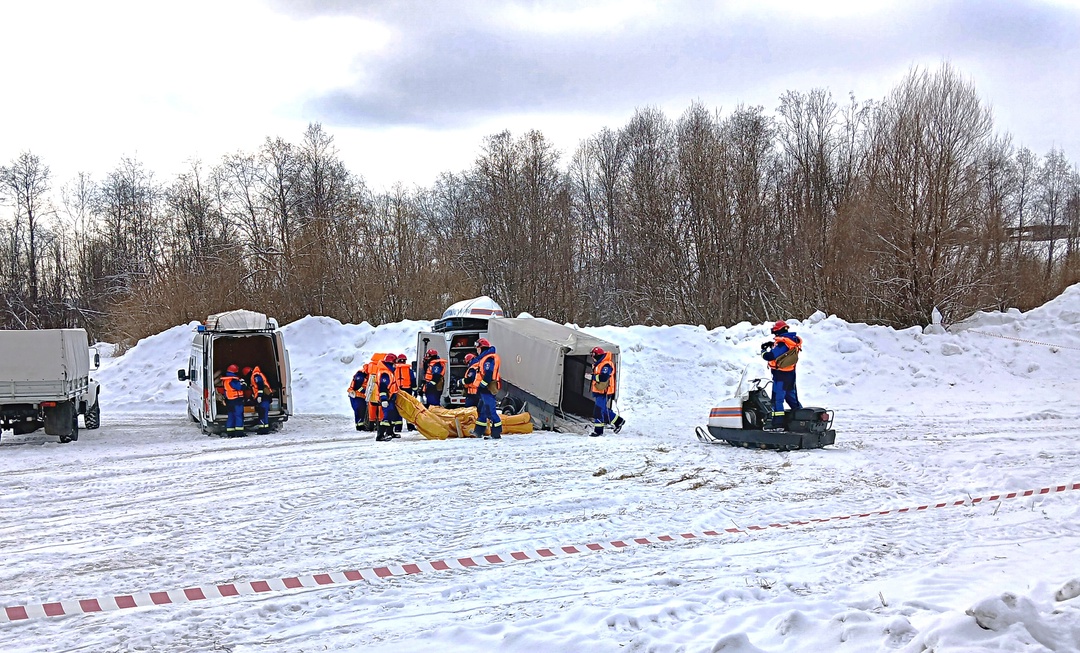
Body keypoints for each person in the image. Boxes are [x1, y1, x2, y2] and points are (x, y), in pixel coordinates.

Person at [761, 320, 803, 431]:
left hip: (780, 376)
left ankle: (777, 424)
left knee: (777, 400)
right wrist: (772, 345)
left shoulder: (782, 343)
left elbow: (770, 356)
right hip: (790, 375)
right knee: (792, 399)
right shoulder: (791, 341)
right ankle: (804, 419)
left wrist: (763, 351)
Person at [588, 346, 625, 437]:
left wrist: (592, 377)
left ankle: (598, 431)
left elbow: (604, 377)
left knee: (598, 411)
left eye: (593, 355)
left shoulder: (606, 365)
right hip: (599, 391)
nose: (592, 357)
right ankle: (619, 421)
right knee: (603, 410)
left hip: (604, 392)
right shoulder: (599, 364)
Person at [472, 338, 502, 440]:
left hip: (487, 389)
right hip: (484, 390)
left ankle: (496, 433)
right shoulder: (484, 358)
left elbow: (488, 373)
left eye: (478, 348)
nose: (477, 350)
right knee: (483, 411)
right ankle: (478, 431)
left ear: (482, 348)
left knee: (490, 410)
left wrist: (483, 384)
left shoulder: (488, 359)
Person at [374, 353, 400, 442]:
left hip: (391, 398)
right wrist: (384, 399)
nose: (395, 365)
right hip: (386, 399)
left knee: (392, 415)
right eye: (394, 363)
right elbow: (383, 387)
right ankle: (380, 435)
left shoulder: (389, 372)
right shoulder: (385, 373)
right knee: (386, 417)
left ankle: (390, 433)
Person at [221, 364, 247, 435]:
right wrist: (243, 383)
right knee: (239, 416)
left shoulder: (226, 380)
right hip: (237, 401)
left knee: (231, 416)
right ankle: (239, 432)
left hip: (230, 401)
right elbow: (241, 387)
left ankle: (230, 432)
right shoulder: (233, 380)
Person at [394, 353, 416, 432]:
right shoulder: (409, 370)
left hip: (397, 391)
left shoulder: (393, 370)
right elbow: (413, 380)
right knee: (408, 408)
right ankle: (410, 426)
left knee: (398, 408)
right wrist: (415, 390)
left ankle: (398, 427)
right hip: (407, 391)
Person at [249, 365, 273, 434]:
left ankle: (263, 430)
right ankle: (264, 428)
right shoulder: (259, 374)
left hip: (263, 398)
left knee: (262, 413)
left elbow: (260, 386)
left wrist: (259, 396)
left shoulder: (256, 376)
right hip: (266, 397)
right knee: (264, 413)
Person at [347, 365, 369, 431]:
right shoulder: (361, 375)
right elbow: (358, 387)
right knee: (359, 410)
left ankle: (361, 425)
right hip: (356, 395)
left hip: (360, 396)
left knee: (362, 410)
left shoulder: (365, 375)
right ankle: (359, 426)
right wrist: (364, 391)